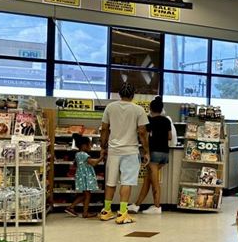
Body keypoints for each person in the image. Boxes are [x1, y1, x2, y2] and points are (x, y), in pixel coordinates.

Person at [99, 83, 150, 224]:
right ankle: (122, 213)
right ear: (133, 95)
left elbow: (104, 129)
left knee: (110, 182)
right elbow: (142, 132)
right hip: (130, 151)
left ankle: (106, 211)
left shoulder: (110, 107)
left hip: (113, 150)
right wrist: (146, 151)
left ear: (119, 94)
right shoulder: (139, 110)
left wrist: (103, 147)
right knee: (126, 182)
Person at [128, 95, 176, 214]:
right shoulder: (166, 120)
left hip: (154, 154)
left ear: (150, 108)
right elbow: (170, 137)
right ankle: (136, 205)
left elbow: (144, 137)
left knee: (154, 182)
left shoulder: (149, 120)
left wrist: (146, 151)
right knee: (147, 180)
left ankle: (157, 206)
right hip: (165, 154)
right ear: (161, 109)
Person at [66, 134, 101, 218]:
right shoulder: (84, 155)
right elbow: (94, 163)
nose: (91, 146)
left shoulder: (77, 154)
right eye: (90, 144)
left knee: (84, 194)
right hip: (85, 177)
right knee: (87, 195)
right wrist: (102, 157)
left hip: (81, 177)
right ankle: (84, 212)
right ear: (84, 145)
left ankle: (71, 207)